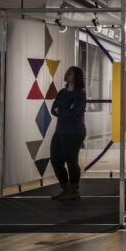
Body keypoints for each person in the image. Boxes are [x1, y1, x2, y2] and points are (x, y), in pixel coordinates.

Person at [49, 65, 87, 201]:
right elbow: (53, 110)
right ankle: (65, 189)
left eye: (69, 73)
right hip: (60, 131)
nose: (66, 74)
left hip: (74, 132)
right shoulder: (61, 92)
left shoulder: (80, 94)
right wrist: (65, 109)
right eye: (67, 72)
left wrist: (62, 110)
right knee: (55, 160)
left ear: (76, 76)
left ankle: (74, 191)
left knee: (71, 161)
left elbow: (74, 112)